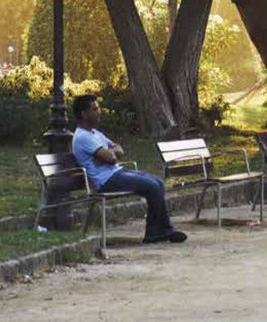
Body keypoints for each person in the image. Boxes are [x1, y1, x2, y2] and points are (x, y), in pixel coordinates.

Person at [71, 95, 187, 244]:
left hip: (115, 172)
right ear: (84, 114)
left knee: (157, 183)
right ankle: (163, 230)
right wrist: (109, 155)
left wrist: (107, 155)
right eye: (95, 109)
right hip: (106, 180)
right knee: (152, 186)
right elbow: (112, 158)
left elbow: (118, 150)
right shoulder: (82, 137)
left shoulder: (95, 134)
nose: (99, 111)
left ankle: (155, 232)